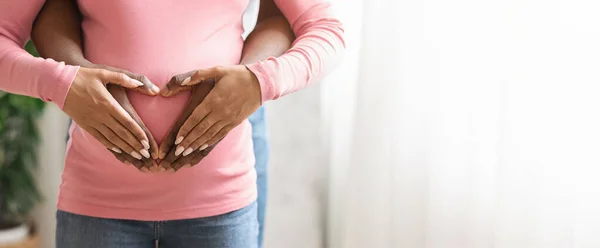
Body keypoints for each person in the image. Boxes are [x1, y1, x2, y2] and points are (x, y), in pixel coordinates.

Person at [0, 0, 345, 247]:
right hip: (97, 198)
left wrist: (258, 81)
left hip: (220, 197)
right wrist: (63, 82)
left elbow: (324, 28)